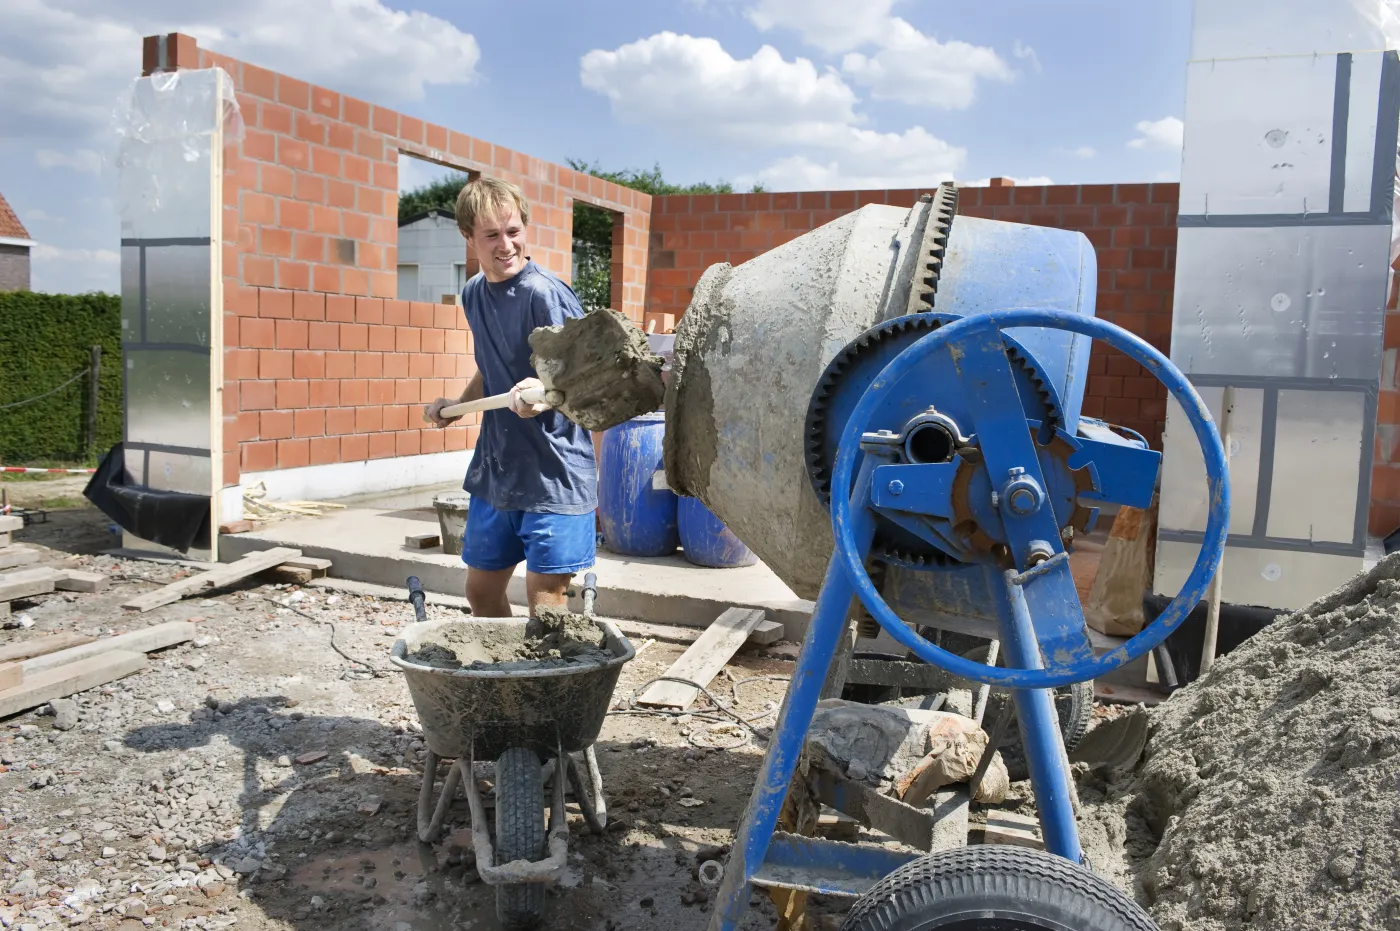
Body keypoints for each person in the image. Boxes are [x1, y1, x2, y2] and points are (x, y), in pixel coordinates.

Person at [424, 177, 597, 618]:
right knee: (481, 593)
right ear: (469, 238)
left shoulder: (544, 294)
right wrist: (456, 406)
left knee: (546, 603)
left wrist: (543, 396)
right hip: (497, 471)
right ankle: (504, 681)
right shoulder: (473, 295)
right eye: (491, 235)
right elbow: (492, 363)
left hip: (553, 471)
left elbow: (587, 376)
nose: (506, 245)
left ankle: (548, 685)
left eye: (514, 231)